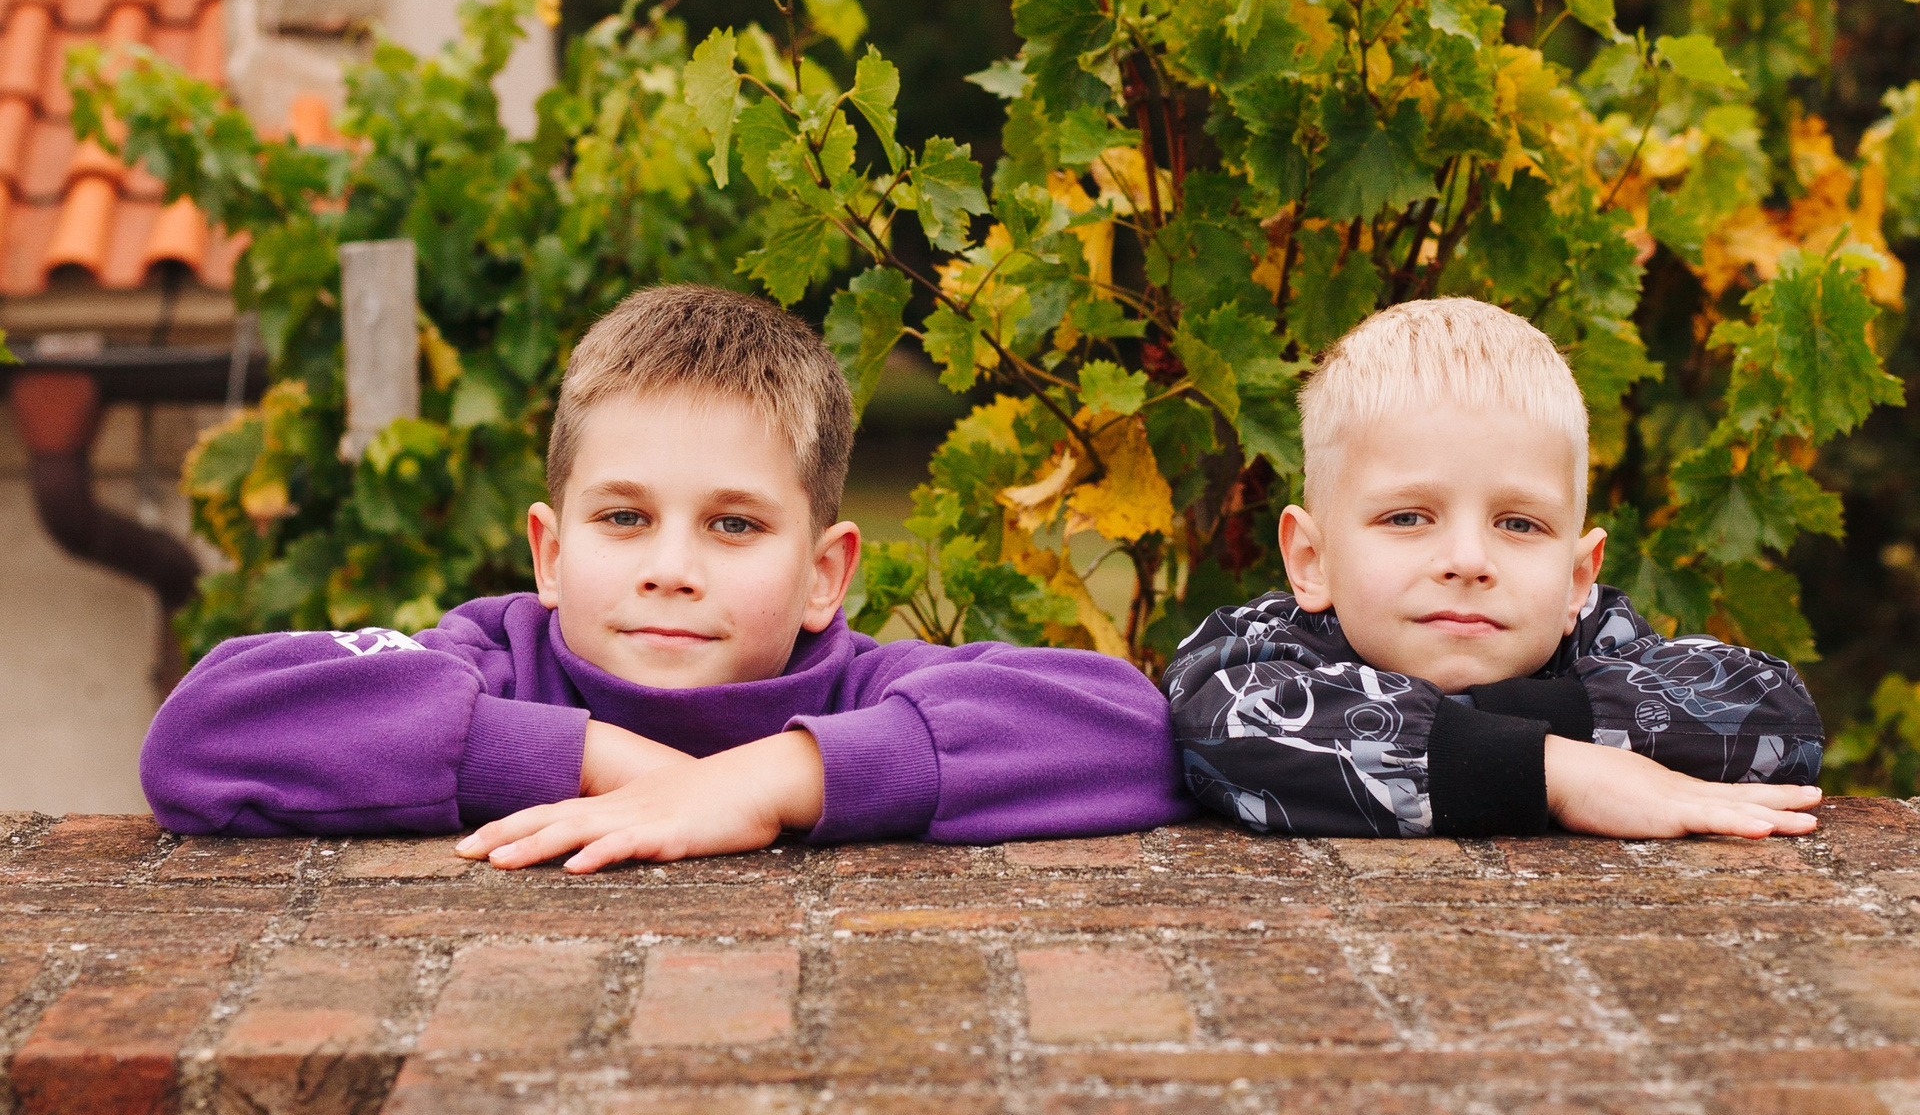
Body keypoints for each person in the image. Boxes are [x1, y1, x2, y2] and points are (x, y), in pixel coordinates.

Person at [142, 285, 1188, 864]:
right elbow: (205, 730)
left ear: (824, 575)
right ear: (552, 555)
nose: (671, 569)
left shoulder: (862, 691)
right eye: (624, 518)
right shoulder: (492, 663)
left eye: (734, 525)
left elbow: (1134, 729)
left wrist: (769, 781)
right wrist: (585, 755)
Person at [1167, 297, 1825, 843]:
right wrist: (1558, 770)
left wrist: (1515, 716)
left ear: (1576, 582)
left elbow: (1780, 716)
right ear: (1312, 561)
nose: (1468, 561)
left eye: (1518, 524)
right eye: (1408, 517)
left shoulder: (1595, 639)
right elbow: (1217, 729)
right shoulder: (1264, 653)